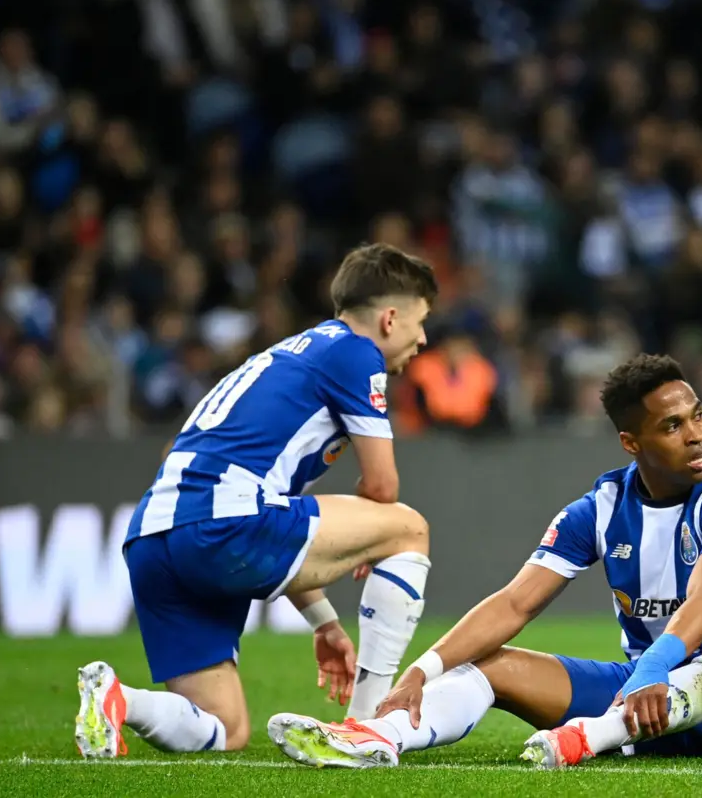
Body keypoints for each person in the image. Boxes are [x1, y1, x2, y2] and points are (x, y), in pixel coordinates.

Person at [266, 353, 702, 768]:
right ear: (630, 443)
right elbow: (515, 603)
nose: (697, 434)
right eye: (672, 426)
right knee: (491, 663)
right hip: (643, 698)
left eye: (698, 415)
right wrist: (421, 671)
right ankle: (378, 738)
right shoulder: (598, 511)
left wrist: (655, 670)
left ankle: (590, 738)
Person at [74, 243, 438, 757]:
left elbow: (275, 507)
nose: (423, 339)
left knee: (226, 729)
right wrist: (370, 535)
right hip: (224, 525)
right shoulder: (355, 352)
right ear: (390, 317)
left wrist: (325, 622)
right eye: (421, 322)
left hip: (154, 538)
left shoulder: (288, 355)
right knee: (407, 528)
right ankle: (366, 729)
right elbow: (383, 488)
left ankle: (118, 700)